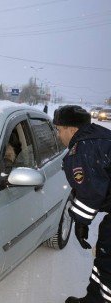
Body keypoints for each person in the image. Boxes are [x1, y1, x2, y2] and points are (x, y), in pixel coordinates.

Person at [53, 105, 111, 303]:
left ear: (72, 129)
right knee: (104, 258)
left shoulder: (82, 149)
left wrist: (80, 222)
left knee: (108, 262)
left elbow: (90, 193)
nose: (58, 135)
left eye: (59, 129)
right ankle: (94, 298)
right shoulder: (100, 135)